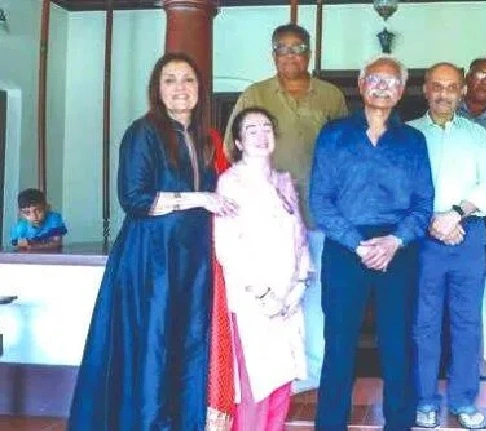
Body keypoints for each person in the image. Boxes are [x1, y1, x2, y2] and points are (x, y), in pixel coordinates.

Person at [68, 52, 237, 430]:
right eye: (170, 80)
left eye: (188, 79)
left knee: (189, 346)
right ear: (157, 90)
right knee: (153, 346)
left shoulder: (204, 139)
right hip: (152, 260)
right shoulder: (143, 132)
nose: (180, 88)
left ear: (200, 89)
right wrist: (199, 199)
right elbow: (135, 199)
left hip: (194, 261)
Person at [309, 54, 434, 431]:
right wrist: (359, 244)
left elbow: (423, 203)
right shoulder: (334, 135)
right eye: (375, 79)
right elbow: (320, 200)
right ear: (362, 85)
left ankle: (399, 423)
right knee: (339, 342)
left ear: (401, 92)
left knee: (397, 342)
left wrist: (394, 241)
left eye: (391, 81)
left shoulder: (413, 140)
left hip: (398, 248)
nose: (382, 87)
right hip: (346, 247)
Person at [224, 23, 348, 392]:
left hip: (321, 215)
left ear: (309, 53)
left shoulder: (330, 95)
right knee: (272, 293)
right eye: (283, 48)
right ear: (273, 54)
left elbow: (345, 152)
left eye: (298, 48)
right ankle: (276, 376)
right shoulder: (256, 93)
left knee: (315, 294)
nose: (291, 55)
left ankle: (312, 372)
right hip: (270, 219)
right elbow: (232, 147)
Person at [408, 62, 486, 429]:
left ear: (462, 91)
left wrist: (456, 215)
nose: (444, 93)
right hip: (421, 235)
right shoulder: (408, 133)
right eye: (437, 86)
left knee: (466, 322)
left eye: (451, 87)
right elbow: (401, 187)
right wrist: (432, 221)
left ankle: (463, 399)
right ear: (426, 89)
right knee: (423, 322)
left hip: (467, 235)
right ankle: (425, 399)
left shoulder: (478, 135)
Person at [214, 107, 310, 431]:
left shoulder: (284, 181)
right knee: (255, 385)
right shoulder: (230, 183)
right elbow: (228, 247)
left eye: (266, 127)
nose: (261, 135)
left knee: (282, 381)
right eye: (251, 130)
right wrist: (264, 293)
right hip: (253, 300)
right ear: (238, 142)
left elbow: (301, 238)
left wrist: (298, 286)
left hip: (287, 299)